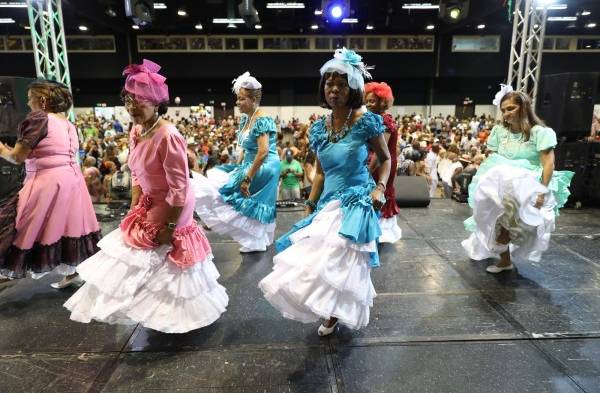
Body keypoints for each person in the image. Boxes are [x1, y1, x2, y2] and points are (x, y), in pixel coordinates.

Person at [65, 59, 228, 333]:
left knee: (167, 256)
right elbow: (137, 175)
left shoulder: (168, 135)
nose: (132, 107)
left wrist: (171, 227)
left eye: (137, 101)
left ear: (155, 102)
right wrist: (134, 208)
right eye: (128, 101)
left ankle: (174, 315)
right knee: (134, 251)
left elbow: (180, 189)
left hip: (173, 205)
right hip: (150, 201)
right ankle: (150, 311)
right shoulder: (137, 131)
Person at [259, 48, 391, 336]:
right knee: (315, 260)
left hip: (356, 200)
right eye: (329, 84)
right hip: (327, 202)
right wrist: (310, 203)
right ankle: (331, 308)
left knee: (340, 260)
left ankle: (334, 313)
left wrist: (379, 188)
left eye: (341, 84)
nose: (334, 90)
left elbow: (385, 159)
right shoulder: (318, 128)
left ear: (353, 87)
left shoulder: (367, 121)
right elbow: (320, 172)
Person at [462, 85, 574, 273]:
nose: (506, 113)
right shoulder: (499, 132)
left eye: (511, 108)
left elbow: (548, 164)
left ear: (524, 108)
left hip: (527, 185)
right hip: (502, 186)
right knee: (493, 221)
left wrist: (542, 191)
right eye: (504, 110)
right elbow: (494, 161)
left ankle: (508, 245)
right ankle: (505, 260)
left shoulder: (540, 133)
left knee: (514, 226)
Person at [0, 80, 100, 288]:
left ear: (42, 100)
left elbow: (17, 158)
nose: (28, 104)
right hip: (72, 182)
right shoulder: (68, 124)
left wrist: (2, 149)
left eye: (30, 99)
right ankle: (72, 273)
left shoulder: (39, 118)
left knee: (19, 226)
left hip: (46, 182)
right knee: (67, 227)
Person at [192, 72, 280, 253]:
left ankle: (255, 240)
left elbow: (263, 152)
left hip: (264, 165)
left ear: (254, 99)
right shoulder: (247, 119)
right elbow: (246, 149)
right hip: (251, 160)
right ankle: (255, 240)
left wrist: (247, 177)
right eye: (237, 99)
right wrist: (238, 167)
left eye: (241, 99)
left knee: (230, 189)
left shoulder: (262, 119)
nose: (238, 103)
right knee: (222, 176)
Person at [364, 81, 402, 243]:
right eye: (367, 100)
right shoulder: (376, 119)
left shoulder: (384, 121)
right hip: (379, 160)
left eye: (372, 101)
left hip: (381, 163)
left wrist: (367, 170)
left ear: (382, 102)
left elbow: (382, 153)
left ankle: (379, 231)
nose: (368, 104)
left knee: (380, 190)